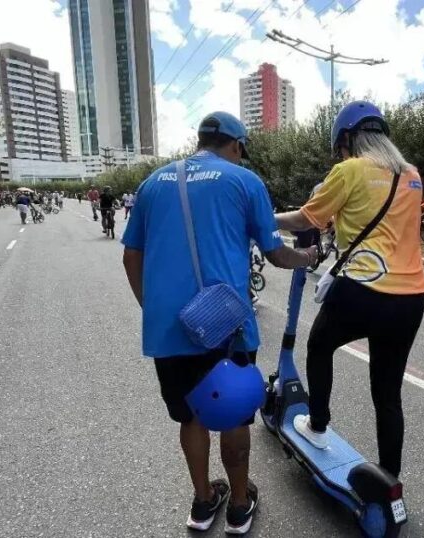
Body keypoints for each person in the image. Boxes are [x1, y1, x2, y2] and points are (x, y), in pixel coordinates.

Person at [122, 111, 316, 535]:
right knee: (232, 415)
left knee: (190, 418)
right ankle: (240, 506)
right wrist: (306, 258)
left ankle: (203, 500)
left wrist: (151, 307)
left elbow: (131, 256)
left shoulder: (152, 183)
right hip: (227, 324)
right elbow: (274, 251)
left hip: (170, 327)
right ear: (236, 145)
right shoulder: (244, 181)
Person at [274, 100, 424, 479]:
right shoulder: (412, 176)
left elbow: (305, 219)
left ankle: (318, 424)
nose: (340, 153)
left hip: (363, 288)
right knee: (388, 395)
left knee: (319, 345)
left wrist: (261, 218)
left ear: (347, 140)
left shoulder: (349, 170)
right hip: (411, 297)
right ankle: (390, 478)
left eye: (340, 147)